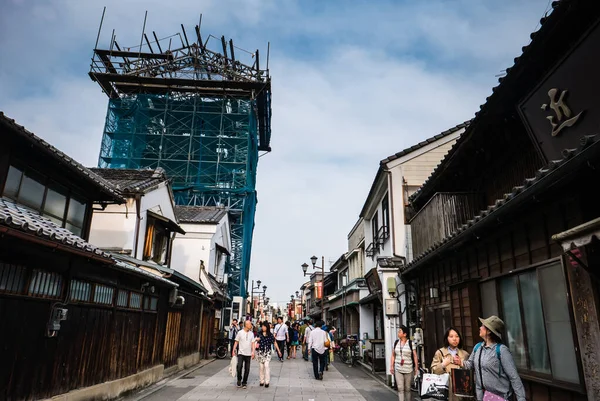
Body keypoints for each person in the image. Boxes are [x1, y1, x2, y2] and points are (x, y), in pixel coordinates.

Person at [457, 316, 525, 401]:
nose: (480, 328)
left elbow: (514, 377)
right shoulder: (477, 347)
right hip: (482, 397)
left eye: (482, 326)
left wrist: (521, 399)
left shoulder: (501, 350)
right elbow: (470, 364)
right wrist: (461, 362)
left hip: (499, 397)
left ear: (489, 331)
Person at [431, 327, 470, 401]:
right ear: (447, 338)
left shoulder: (465, 354)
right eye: (451, 336)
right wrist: (443, 365)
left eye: (457, 336)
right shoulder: (440, 353)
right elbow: (434, 370)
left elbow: (469, 371)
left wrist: (461, 364)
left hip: (461, 391)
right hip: (445, 391)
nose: (454, 339)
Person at [390, 325, 418, 401]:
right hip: (398, 368)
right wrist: (391, 366)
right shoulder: (395, 343)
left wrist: (416, 367)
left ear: (405, 334)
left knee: (407, 388)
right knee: (400, 388)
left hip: (408, 368)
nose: (398, 333)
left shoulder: (411, 343)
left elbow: (415, 356)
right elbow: (393, 355)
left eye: (400, 331)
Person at [254, 321, 280, 388]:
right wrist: (256, 340)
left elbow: (274, 342)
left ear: (267, 327)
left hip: (267, 352)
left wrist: (278, 351)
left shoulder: (270, 335)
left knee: (266, 366)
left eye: (264, 326)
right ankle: (261, 380)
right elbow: (254, 341)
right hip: (260, 352)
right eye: (262, 326)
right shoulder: (259, 333)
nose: (263, 327)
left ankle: (267, 381)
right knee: (261, 367)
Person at [232, 320, 255, 389]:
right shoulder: (240, 333)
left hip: (248, 354)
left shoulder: (251, 333)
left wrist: (253, 352)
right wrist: (233, 350)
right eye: (250, 324)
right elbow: (236, 342)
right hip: (241, 353)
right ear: (246, 325)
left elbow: (253, 343)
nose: (251, 325)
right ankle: (239, 379)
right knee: (239, 367)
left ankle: (244, 382)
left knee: (247, 369)